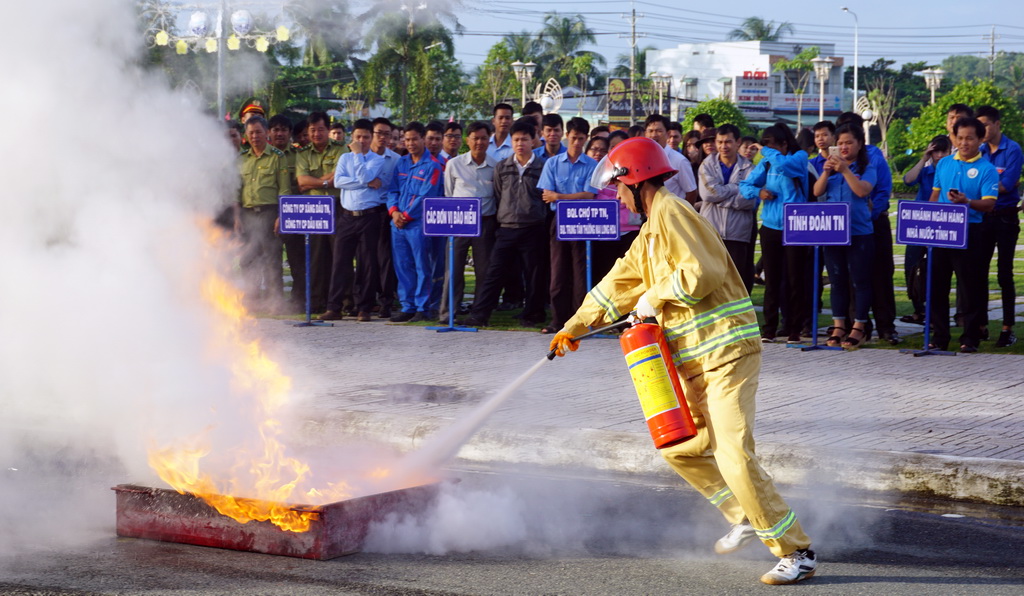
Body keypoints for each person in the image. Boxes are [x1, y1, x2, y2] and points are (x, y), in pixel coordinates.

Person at [549, 136, 817, 586]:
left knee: (733, 454)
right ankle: (747, 515)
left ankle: (798, 551)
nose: (615, 197)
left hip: (727, 352)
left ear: (634, 181)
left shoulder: (674, 213)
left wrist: (654, 298)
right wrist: (573, 327)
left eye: (617, 187)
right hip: (696, 361)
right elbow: (617, 284)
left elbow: (703, 271)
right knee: (678, 448)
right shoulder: (651, 230)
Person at [459, 119, 549, 327]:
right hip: (507, 228)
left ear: (533, 140)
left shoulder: (542, 167)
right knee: (494, 273)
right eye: (516, 139)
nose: (520, 144)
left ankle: (533, 314)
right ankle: (480, 315)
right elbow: (498, 193)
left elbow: (543, 196)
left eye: (524, 139)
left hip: (533, 227)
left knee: (534, 275)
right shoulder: (502, 166)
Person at [929, 117, 999, 353]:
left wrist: (967, 202)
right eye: (960, 138)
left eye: (970, 138)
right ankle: (939, 337)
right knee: (937, 286)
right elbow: (934, 196)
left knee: (969, 288)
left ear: (980, 140)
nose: (964, 143)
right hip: (942, 231)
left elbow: (989, 205)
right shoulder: (944, 164)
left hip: (971, 232)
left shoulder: (987, 169)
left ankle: (970, 337)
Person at [739, 123, 811, 344]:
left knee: (794, 279)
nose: (766, 149)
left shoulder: (798, 157)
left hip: (795, 226)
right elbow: (744, 185)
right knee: (772, 278)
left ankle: (794, 328)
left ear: (783, 143)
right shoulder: (768, 163)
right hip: (771, 226)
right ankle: (769, 328)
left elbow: (786, 166)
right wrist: (758, 191)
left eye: (771, 144)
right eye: (766, 145)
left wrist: (766, 150)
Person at [835, 112, 898, 345]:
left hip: (872, 222)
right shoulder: (831, 160)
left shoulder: (873, 157)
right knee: (847, 279)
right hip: (841, 228)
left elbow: (881, 191)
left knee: (880, 276)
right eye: (839, 138)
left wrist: (868, 216)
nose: (843, 145)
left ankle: (886, 327)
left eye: (849, 137)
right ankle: (855, 325)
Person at [813, 124, 876, 350]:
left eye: (849, 143)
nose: (844, 147)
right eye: (839, 143)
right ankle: (838, 325)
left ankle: (859, 327)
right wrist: (827, 171)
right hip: (833, 232)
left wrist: (846, 170)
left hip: (859, 232)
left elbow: (862, 191)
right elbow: (817, 191)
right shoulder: (829, 167)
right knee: (837, 280)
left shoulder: (867, 167)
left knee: (860, 280)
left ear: (859, 144)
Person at [321, 118, 386, 322]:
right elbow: (338, 181)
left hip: (369, 216)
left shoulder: (377, 159)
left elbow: (365, 176)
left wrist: (359, 157)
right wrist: (365, 182)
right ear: (352, 138)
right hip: (347, 216)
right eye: (358, 137)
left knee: (367, 263)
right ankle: (334, 307)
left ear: (371, 138)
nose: (362, 140)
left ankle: (364, 308)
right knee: (340, 262)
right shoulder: (345, 158)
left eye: (366, 137)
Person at [539, 117, 599, 334]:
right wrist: (565, 197)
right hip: (559, 221)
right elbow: (547, 195)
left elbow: (589, 195)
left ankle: (580, 322)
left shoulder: (593, 165)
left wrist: (560, 196)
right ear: (567, 135)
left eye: (581, 139)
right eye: (573, 138)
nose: (576, 142)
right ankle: (557, 321)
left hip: (583, 221)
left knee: (580, 274)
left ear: (586, 139)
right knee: (558, 273)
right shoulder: (552, 163)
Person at [439, 121, 499, 321]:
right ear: (467, 140)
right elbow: (448, 193)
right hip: (459, 221)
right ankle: (448, 313)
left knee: (483, 270)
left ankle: (479, 313)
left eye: (483, 138)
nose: (479, 142)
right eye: (475, 138)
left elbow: (497, 195)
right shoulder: (454, 164)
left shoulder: (495, 165)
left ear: (489, 140)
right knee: (453, 269)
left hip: (486, 221)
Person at [386, 122, 444, 322]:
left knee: (422, 266)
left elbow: (427, 195)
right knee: (403, 265)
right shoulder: (401, 163)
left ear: (423, 140)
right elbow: (392, 190)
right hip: (398, 224)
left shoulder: (433, 166)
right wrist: (394, 213)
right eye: (407, 139)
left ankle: (423, 307)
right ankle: (407, 306)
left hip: (419, 224)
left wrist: (407, 216)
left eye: (414, 139)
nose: (410, 143)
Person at [976, 105, 1022, 348]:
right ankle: (981, 325)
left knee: (1005, 274)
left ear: (996, 124)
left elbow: (1007, 184)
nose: (982, 129)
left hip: (1005, 217)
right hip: (983, 218)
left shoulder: (1012, 149)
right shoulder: (979, 150)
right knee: (979, 273)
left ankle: (1007, 328)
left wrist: (980, 189)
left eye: (985, 124)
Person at [235, 116, 290, 310]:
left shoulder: (277, 156)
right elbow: (236, 190)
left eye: (258, 132)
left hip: (269, 212)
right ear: (246, 136)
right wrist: (236, 217)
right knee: (247, 259)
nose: (255, 136)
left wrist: (281, 216)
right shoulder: (242, 159)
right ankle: (252, 299)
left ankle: (275, 302)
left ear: (266, 133)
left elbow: (284, 189)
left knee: (272, 258)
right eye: (251, 133)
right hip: (247, 214)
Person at [295, 111, 345, 315]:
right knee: (315, 256)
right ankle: (316, 302)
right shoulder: (303, 153)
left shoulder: (342, 150)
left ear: (328, 130)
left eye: (321, 129)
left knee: (338, 256)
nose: (317, 133)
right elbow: (301, 181)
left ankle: (340, 302)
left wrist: (315, 182)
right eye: (313, 130)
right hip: (313, 207)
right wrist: (325, 181)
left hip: (337, 205)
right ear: (308, 131)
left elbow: (338, 176)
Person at [698, 124, 756, 292]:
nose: (724, 146)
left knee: (734, 283)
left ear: (738, 142)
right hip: (711, 232)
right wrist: (734, 188)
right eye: (720, 142)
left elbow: (748, 201)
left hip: (738, 233)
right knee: (711, 282)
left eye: (728, 142)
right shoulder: (707, 165)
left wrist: (720, 197)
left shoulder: (750, 168)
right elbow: (707, 195)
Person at [901, 135, 952, 325]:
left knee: (936, 270)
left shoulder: (951, 170)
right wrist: (924, 158)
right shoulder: (927, 171)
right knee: (912, 267)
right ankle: (918, 309)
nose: (939, 156)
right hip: (919, 223)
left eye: (942, 151)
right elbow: (908, 180)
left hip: (941, 224)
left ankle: (934, 312)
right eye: (935, 151)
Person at [369, 117, 402, 318]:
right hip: (363, 211)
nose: (383, 137)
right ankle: (364, 300)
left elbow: (396, 189)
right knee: (365, 259)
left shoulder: (396, 159)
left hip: (385, 211)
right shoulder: (360, 157)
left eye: (387, 134)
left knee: (385, 259)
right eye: (379, 133)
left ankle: (386, 301)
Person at [644, 114, 698, 204]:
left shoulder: (679, 161)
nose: (654, 135)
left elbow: (691, 192)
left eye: (659, 131)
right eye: (650, 131)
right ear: (645, 133)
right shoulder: (642, 159)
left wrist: (680, 214)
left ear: (668, 134)